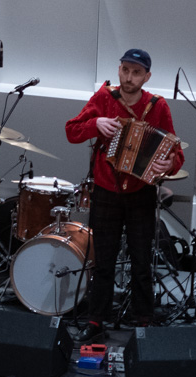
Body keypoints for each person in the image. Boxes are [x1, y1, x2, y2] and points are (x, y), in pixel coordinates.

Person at [65, 48, 184, 333]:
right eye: (125, 70)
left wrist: (169, 164)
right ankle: (96, 320)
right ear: (119, 69)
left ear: (147, 76)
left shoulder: (157, 106)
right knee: (103, 260)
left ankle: (143, 319)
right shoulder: (104, 98)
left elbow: (176, 153)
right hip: (106, 189)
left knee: (142, 259)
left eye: (136, 72)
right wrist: (95, 123)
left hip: (141, 192)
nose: (129, 77)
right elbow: (72, 131)